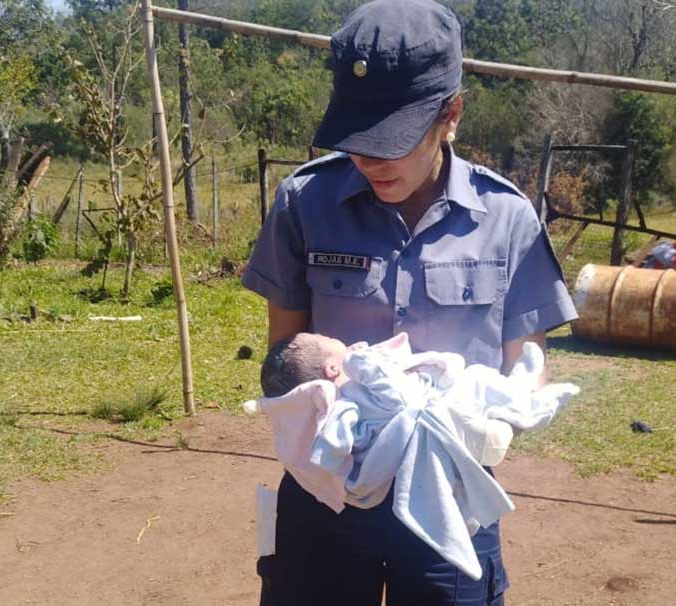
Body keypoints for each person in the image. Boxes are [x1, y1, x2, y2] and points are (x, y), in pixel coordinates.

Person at [241, 0, 577, 603]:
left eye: (390, 139)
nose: (368, 159)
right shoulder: (304, 203)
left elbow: (524, 371)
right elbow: (283, 359)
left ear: (451, 114)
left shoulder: (506, 218)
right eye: (357, 136)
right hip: (328, 495)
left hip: (451, 503)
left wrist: (467, 420)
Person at [247, 332, 579, 582]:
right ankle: (529, 402)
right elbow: (398, 401)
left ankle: (517, 398)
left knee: (480, 389)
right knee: (478, 382)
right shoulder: (351, 397)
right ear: (334, 367)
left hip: (437, 437)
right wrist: (365, 365)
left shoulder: (336, 406)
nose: (346, 343)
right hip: (435, 425)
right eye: (331, 340)